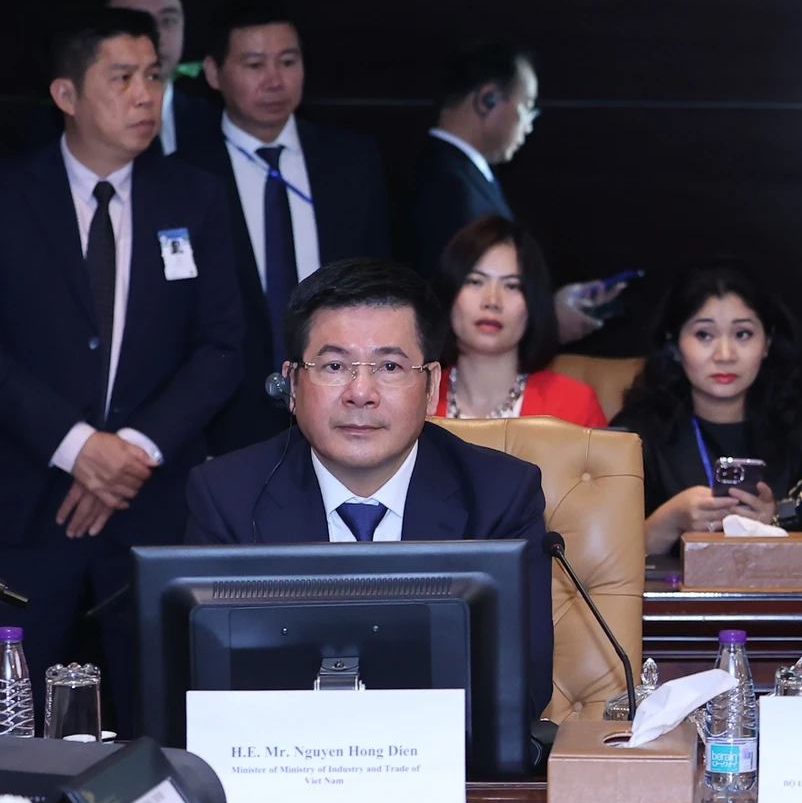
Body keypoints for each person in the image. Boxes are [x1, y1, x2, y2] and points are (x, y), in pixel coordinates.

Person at [0, 8, 243, 714]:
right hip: (27, 498)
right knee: (16, 718)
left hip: (153, 503)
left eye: (155, 77)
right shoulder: (10, 196)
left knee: (163, 715)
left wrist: (129, 452)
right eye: (123, 78)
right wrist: (76, 446)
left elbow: (223, 345)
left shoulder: (194, 195)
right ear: (66, 94)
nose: (146, 96)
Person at [183, 259, 552, 716]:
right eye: (334, 365)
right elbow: (202, 689)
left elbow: (520, 689)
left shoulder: (500, 497)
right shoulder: (226, 496)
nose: (360, 392)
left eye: (390, 366)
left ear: (431, 386)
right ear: (293, 384)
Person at [177, 0, 393, 455]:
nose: (275, 80)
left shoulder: (351, 161)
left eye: (288, 61)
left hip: (343, 405)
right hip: (223, 418)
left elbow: (380, 285)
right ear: (214, 72)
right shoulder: (182, 175)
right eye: (255, 65)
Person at [613, 261, 802, 554]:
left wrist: (775, 525)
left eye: (742, 334)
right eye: (704, 335)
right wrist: (669, 522)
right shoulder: (633, 436)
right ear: (674, 345)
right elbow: (596, 562)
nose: (725, 355)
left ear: (767, 343)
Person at [403, 41, 623, 341]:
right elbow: (459, 310)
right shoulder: (449, 187)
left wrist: (551, 307)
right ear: (487, 99)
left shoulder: (462, 175)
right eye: (527, 106)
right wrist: (548, 323)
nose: (529, 125)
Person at [429, 216, 606, 426]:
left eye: (511, 286)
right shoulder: (416, 400)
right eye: (475, 282)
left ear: (533, 303)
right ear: (449, 294)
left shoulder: (574, 406)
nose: (492, 301)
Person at [100, 0, 219, 160]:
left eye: (168, 21)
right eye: (137, 21)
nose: (156, 36)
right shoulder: (62, 127)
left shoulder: (217, 124)